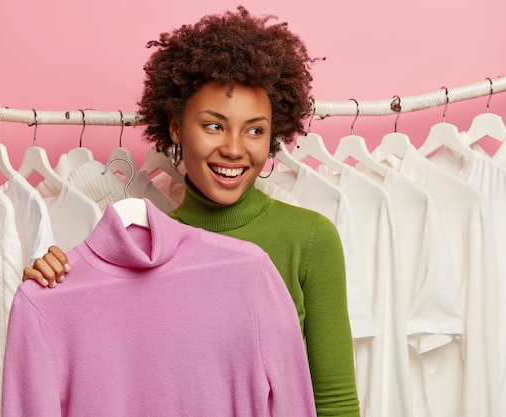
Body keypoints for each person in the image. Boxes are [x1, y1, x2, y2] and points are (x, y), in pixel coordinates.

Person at [23, 6, 361, 416]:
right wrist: (52, 286)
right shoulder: (140, 249)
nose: (235, 148)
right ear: (175, 127)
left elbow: (335, 401)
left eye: (255, 129)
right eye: (214, 125)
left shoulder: (310, 239)